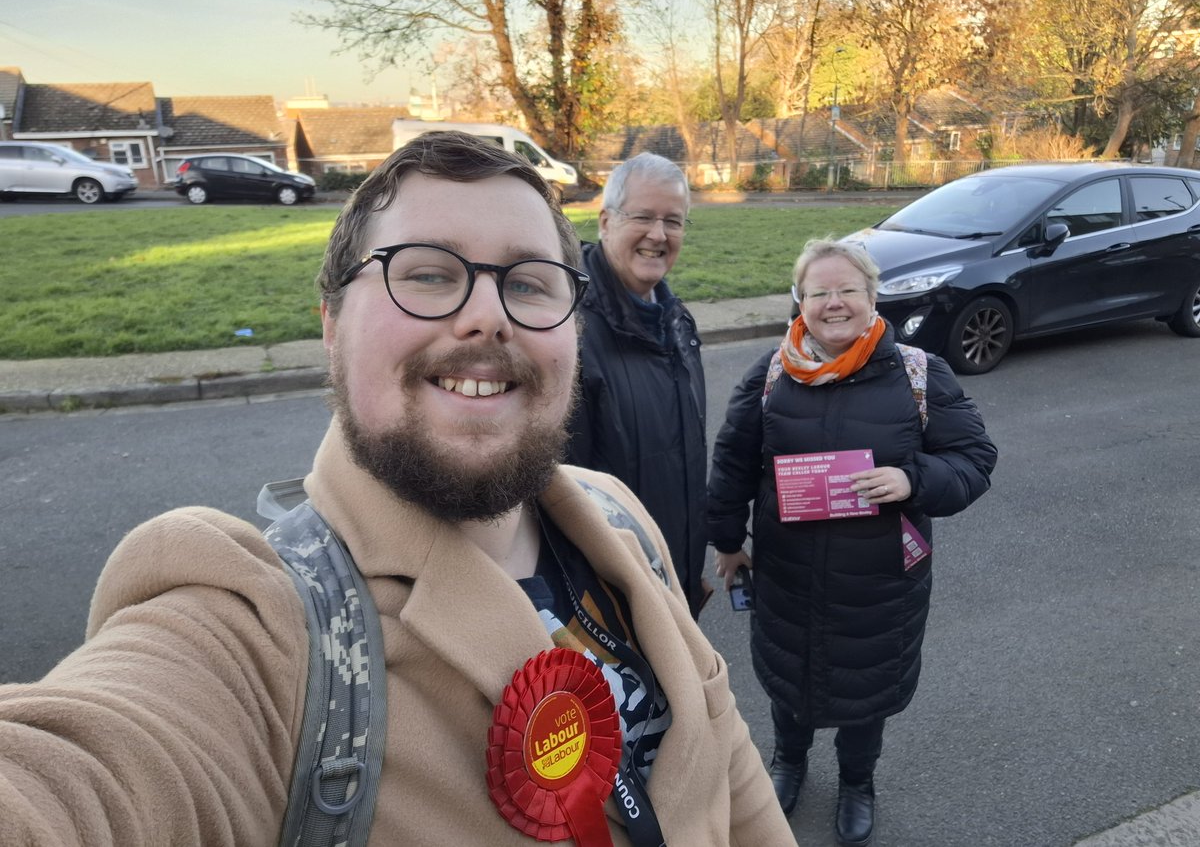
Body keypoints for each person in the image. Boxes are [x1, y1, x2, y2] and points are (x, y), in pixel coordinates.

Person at [0, 133, 796, 846]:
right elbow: (83, 772)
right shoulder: (256, 627)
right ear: (332, 324)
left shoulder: (619, 520)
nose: (488, 315)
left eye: (529, 283)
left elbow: (730, 771)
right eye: (426, 273)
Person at [707, 239, 997, 846]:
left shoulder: (919, 374)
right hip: (787, 573)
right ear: (800, 301)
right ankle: (788, 761)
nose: (833, 303)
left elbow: (974, 460)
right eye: (819, 292)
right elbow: (733, 464)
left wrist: (912, 479)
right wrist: (728, 541)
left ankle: (858, 783)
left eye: (847, 290)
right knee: (790, 681)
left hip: (880, 584)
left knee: (866, 693)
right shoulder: (770, 373)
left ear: (872, 296)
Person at [566, 153, 711, 618]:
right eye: (643, 217)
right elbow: (559, 494)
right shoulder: (568, 334)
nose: (658, 235)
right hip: (612, 599)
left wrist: (687, 569)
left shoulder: (678, 322)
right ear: (606, 221)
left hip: (673, 582)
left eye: (673, 220)